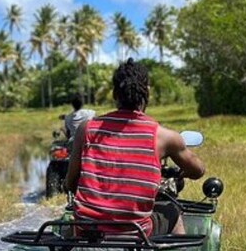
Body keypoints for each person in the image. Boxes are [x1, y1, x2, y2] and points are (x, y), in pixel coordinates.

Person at [65, 59, 205, 236]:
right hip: (135, 234)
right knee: (171, 210)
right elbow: (198, 170)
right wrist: (184, 172)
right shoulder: (164, 137)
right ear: (147, 92)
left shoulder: (86, 129)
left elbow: (71, 183)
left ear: (115, 94)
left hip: (86, 231)